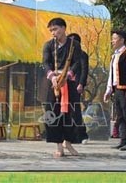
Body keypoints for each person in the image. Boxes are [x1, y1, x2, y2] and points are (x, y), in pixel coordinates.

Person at [42, 18, 83, 158]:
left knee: (70, 114)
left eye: (55, 29)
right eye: (51, 30)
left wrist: (68, 74)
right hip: (53, 83)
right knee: (52, 114)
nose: (53, 33)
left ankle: (68, 142)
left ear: (64, 28)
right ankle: (58, 146)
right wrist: (53, 77)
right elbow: (46, 63)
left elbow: (78, 62)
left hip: (69, 82)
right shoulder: (48, 45)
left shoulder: (74, 45)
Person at [103, 29, 126, 151]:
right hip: (117, 89)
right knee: (120, 116)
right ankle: (123, 140)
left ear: (122, 40)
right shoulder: (114, 56)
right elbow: (111, 75)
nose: (112, 41)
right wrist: (108, 90)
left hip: (125, 89)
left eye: (114, 38)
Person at [66, 32, 89, 144]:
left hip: (76, 85)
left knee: (76, 110)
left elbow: (84, 70)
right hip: (65, 85)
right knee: (67, 110)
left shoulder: (82, 54)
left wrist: (81, 83)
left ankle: (81, 135)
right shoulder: (65, 55)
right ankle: (69, 136)